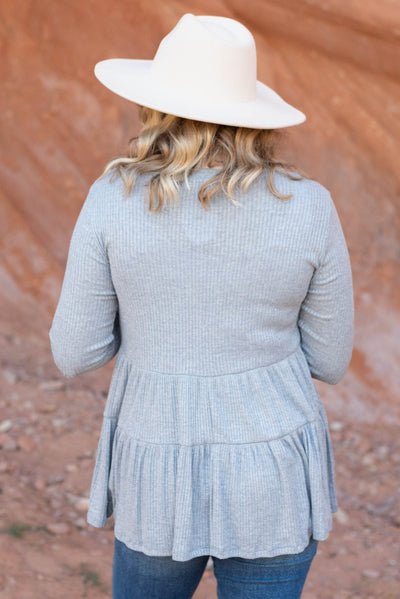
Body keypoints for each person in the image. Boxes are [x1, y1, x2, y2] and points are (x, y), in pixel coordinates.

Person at [49, 13, 354, 599]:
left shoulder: (113, 199)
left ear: (157, 107)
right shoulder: (310, 205)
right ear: (252, 115)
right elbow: (332, 359)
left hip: (156, 462)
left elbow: (74, 352)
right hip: (275, 468)